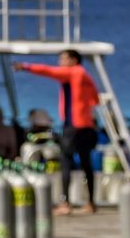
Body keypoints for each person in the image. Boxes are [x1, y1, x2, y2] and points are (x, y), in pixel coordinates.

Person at [16, 50, 102, 214]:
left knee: (66, 161)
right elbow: (95, 99)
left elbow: (49, 71)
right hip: (87, 126)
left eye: (63, 58)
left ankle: (65, 203)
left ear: (74, 60)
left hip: (73, 126)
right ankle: (91, 202)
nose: (60, 61)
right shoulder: (86, 76)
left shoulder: (72, 72)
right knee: (86, 164)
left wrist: (26, 67)